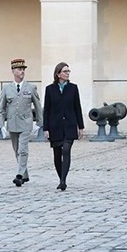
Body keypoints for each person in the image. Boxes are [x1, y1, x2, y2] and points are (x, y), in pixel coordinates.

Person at [0, 58, 43, 188]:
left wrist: (39, 123)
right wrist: (1, 125)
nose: (22, 71)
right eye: (19, 69)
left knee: (23, 150)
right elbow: (1, 109)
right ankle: (25, 174)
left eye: (23, 69)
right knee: (17, 150)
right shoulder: (7, 89)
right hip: (12, 124)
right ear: (13, 71)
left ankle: (19, 175)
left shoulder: (31, 87)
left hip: (26, 123)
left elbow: (38, 106)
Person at [42, 62, 84, 191]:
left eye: (68, 71)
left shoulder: (73, 88)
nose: (67, 73)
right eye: (65, 71)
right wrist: (46, 128)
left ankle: (63, 180)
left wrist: (80, 126)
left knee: (66, 149)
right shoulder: (50, 89)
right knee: (57, 154)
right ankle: (61, 177)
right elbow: (47, 110)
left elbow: (77, 107)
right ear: (58, 74)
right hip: (55, 126)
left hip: (70, 125)